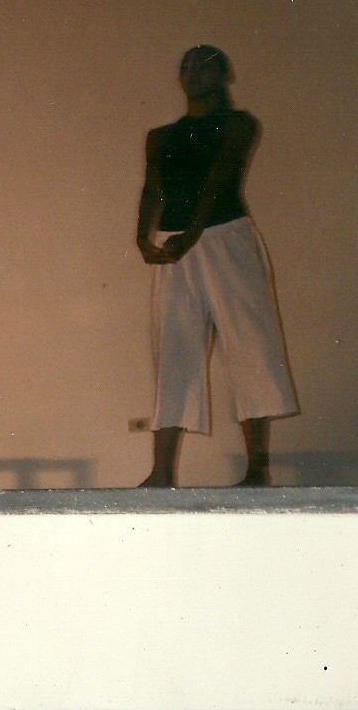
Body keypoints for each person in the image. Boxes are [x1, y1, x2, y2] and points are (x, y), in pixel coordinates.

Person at [135, 45, 298, 488]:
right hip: (176, 247)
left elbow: (221, 178)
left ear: (224, 74)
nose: (192, 73)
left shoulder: (240, 124)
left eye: (203, 65)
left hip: (226, 239)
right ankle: (162, 472)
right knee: (173, 351)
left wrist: (192, 234)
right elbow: (154, 187)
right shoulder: (160, 136)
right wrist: (143, 238)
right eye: (185, 66)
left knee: (250, 346)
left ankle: (257, 468)